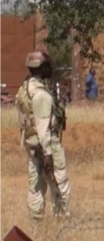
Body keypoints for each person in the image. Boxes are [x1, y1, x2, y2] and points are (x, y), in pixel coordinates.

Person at [16, 50, 71, 220]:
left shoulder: (24, 90)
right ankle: (61, 219)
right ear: (41, 67)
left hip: (32, 145)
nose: (51, 69)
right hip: (47, 146)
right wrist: (48, 154)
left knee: (36, 186)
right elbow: (43, 126)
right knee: (60, 184)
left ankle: (36, 222)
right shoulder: (41, 94)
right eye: (48, 66)